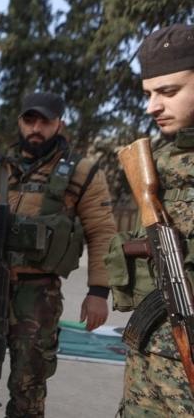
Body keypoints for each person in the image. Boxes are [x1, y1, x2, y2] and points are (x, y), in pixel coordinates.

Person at [0, 91, 117, 417]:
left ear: (59, 123)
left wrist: (98, 292)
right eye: (29, 120)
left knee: (29, 379)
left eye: (44, 121)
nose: (36, 127)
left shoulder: (82, 171)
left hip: (39, 293)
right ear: (20, 121)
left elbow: (102, 231)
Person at [117, 23, 194, 417]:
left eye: (169, 91)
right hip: (148, 370)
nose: (152, 107)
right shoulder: (158, 163)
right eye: (148, 94)